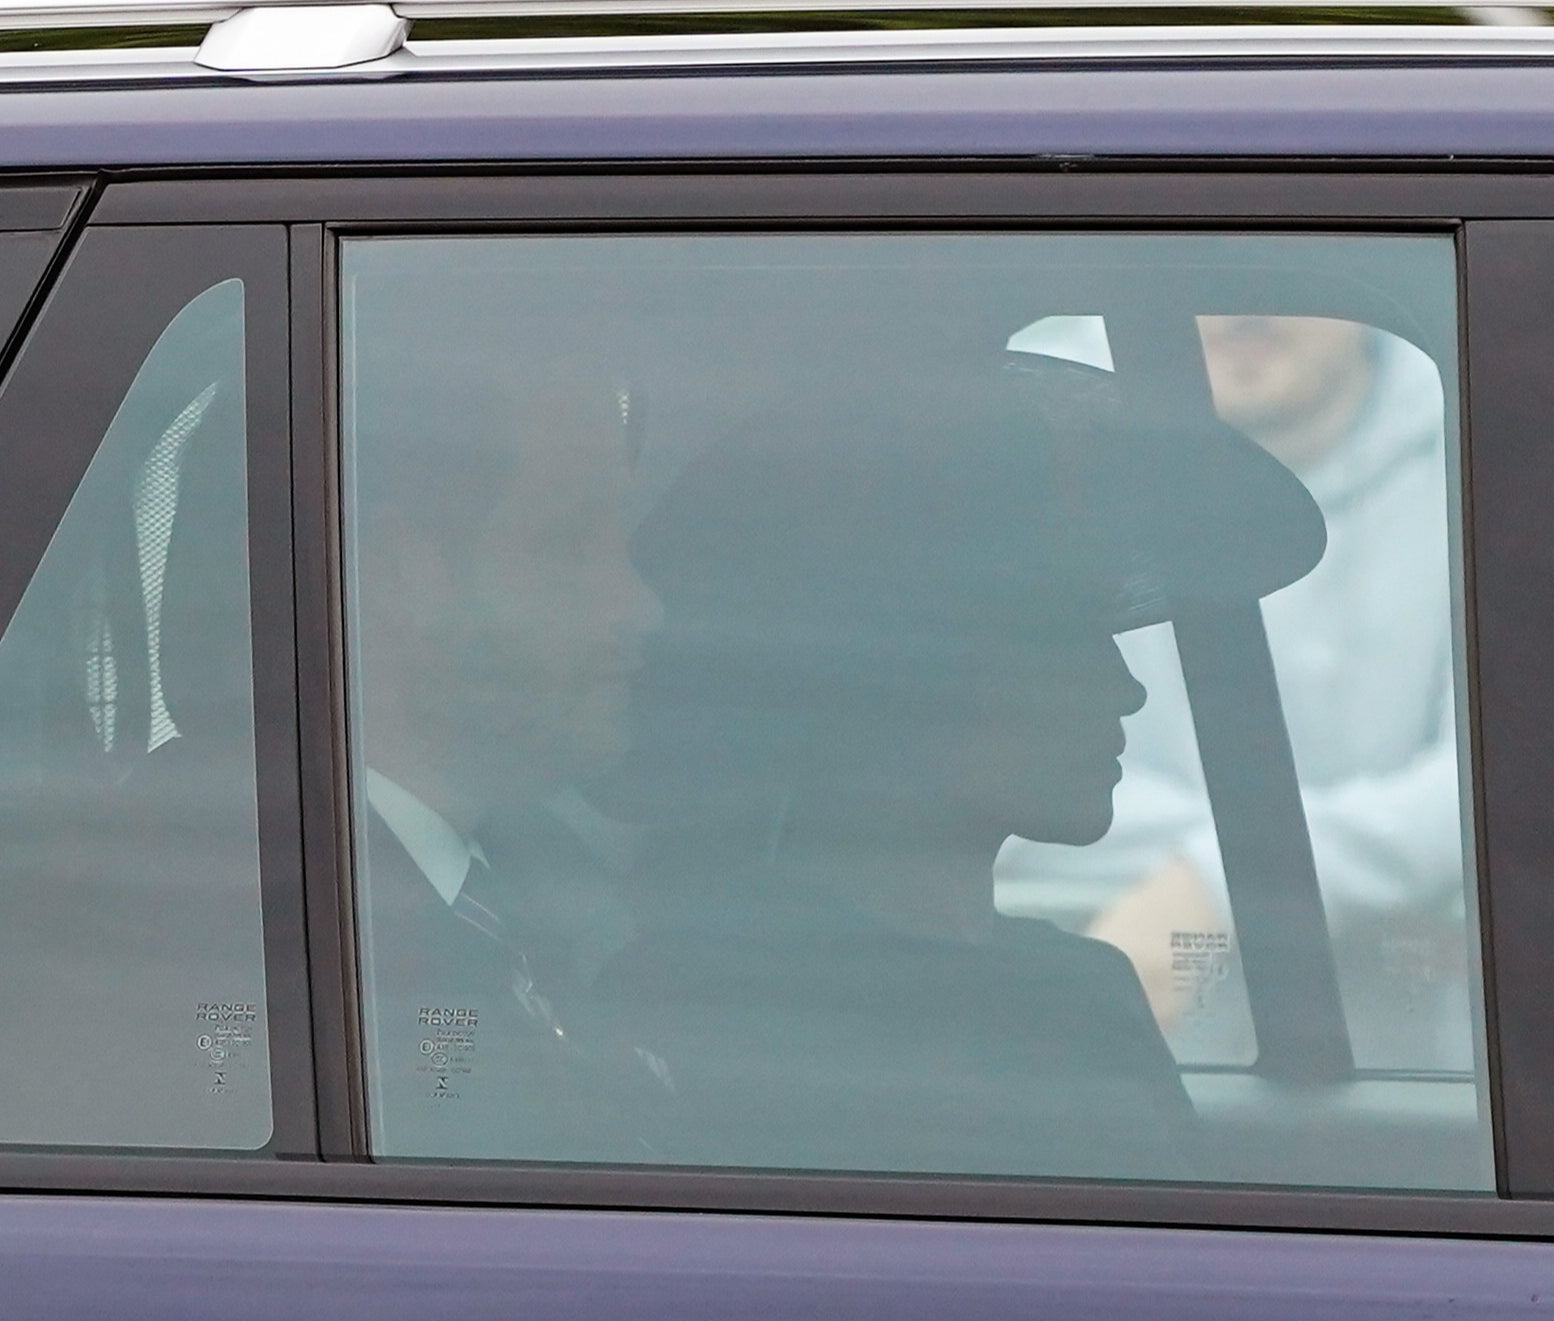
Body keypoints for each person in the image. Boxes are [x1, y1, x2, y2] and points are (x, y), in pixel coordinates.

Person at [591, 350, 1327, 1179]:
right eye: (1059, 639)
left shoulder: (1084, 991)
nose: (1124, 688)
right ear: (905, 677)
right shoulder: (711, 1016)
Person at [998, 316, 1469, 1070]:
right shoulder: (1030, 431)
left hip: (1419, 1091)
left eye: (1270, 262)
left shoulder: (1483, 434)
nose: (1243, 309)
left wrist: (1213, 886)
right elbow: (980, 741)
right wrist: (1358, 863)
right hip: (1102, 1061)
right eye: (1200, 271)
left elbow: (1510, 781)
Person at [348, 359, 666, 1159]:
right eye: (567, 545)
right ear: (400, 575)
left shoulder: (546, 894)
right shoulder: (232, 948)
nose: (641, 606)